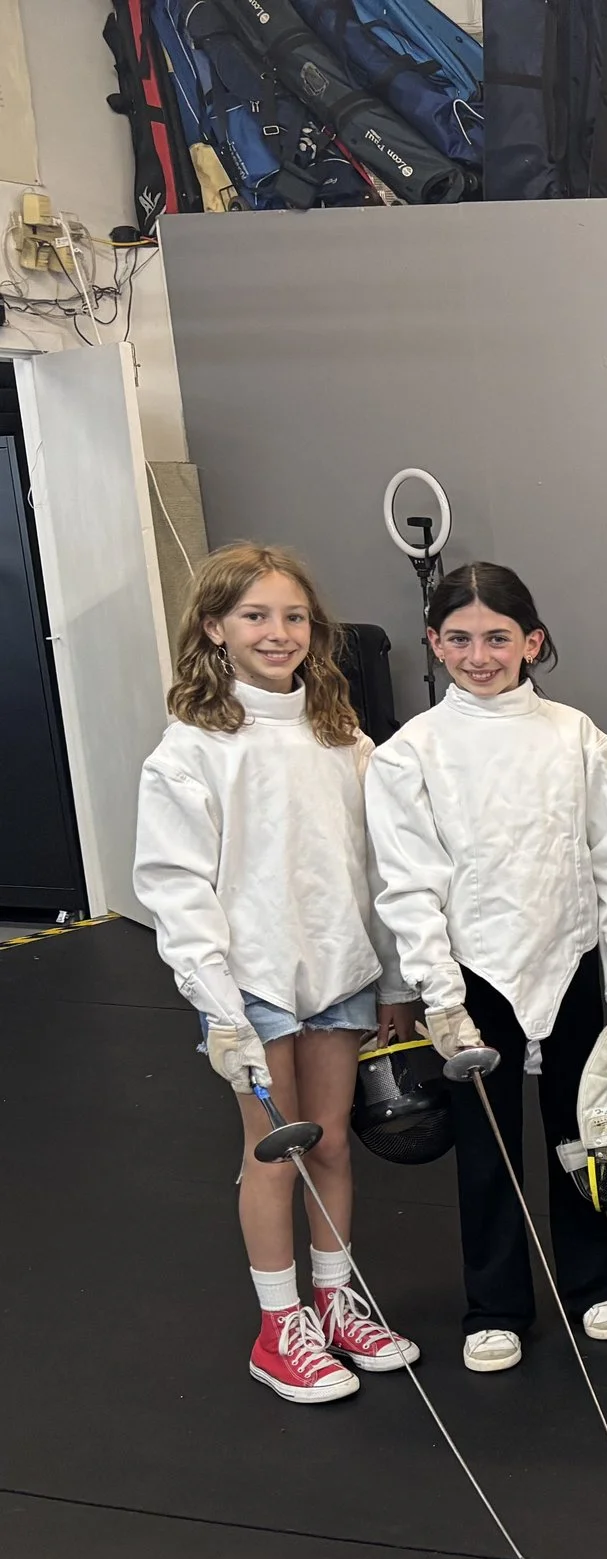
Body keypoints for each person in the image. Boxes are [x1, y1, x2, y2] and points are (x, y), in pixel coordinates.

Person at [133, 544, 421, 1404]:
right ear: (214, 628)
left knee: (329, 1142)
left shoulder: (343, 738)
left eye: (293, 616)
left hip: (337, 969)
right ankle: (279, 1326)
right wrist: (219, 1008)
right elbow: (176, 886)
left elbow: (377, 867)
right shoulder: (190, 750)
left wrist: (395, 980)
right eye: (254, 615)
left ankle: (335, 1302)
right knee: (274, 1153)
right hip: (250, 982)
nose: (278, 632)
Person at [366, 563, 607, 1374]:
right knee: (485, 1144)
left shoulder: (576, 736)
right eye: (459, 639)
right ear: (434, 642)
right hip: (473, 971)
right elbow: (409, 884)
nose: (479, 655)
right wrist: (438, 993)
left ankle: (593, 1281)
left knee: (582, 1128)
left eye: (498, 637)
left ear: (532, 641)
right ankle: (494, 1304)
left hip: (572, 955)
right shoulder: (410, 753)